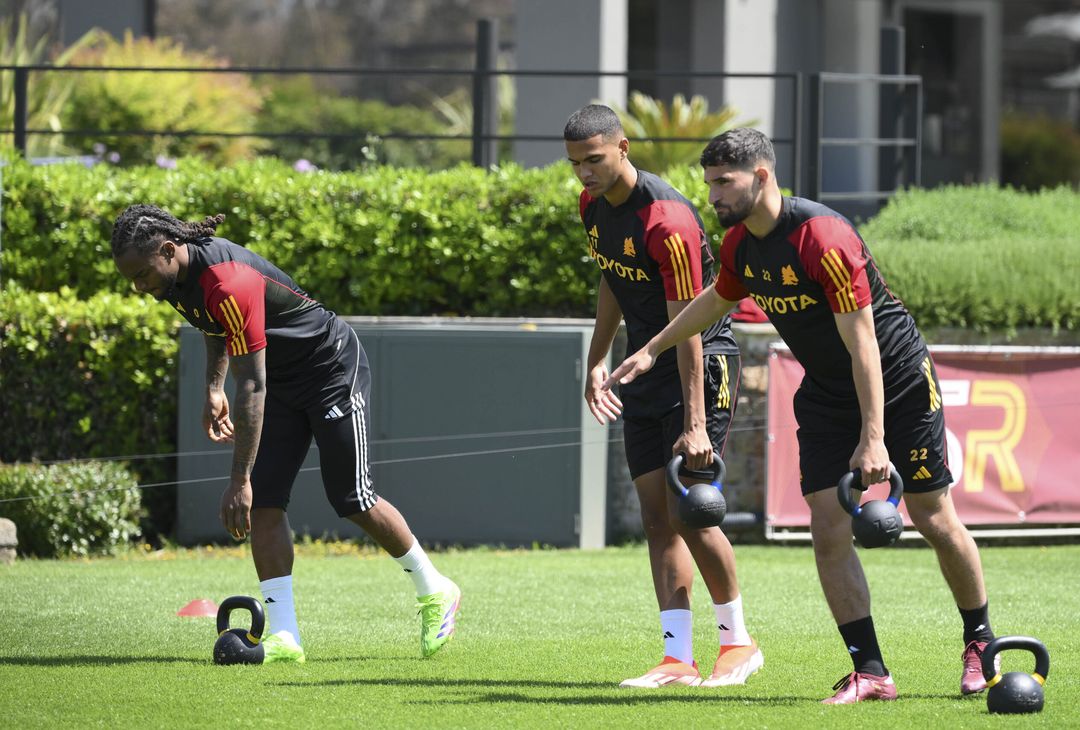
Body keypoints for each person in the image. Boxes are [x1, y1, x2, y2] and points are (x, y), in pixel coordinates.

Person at [605, 128, 996, 703]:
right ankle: (871, 672)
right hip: (826, 392)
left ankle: (980, 641)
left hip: (898, 383)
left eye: (724, 182)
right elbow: (715, 300)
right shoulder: (739, 245)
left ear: (761, 176)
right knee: (827, 527)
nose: (712, 195)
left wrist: (873, 438)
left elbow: (864, 345)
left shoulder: (822, 237)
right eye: (709, 183)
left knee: (932, 515)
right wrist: (653, 348)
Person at [111, 205, 461, 663]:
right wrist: (213, 387)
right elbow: (214, 326)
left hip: (329, 370)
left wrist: (239, 479)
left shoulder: (227, 281)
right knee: (266, 502)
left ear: (168, 249)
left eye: (141, 275)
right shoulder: (174, 279)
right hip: (279, 381)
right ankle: (284, 636)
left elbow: (252, 386)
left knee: (352, 497)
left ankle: (435, 589)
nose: (139, 287)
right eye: (131, 279)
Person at [564, 105, 763, 689]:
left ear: (623, 148)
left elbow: (690, 328)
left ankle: (739, 643)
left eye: (594, 160)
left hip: (699, 362)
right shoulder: (592, 206)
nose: (585, 173)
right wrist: (597, 359)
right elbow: (612, 278)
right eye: (575, 164)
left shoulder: (667, 220)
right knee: (656, 516)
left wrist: (695, 423)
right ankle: (678, 658)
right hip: (643, 365)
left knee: (691, 510)